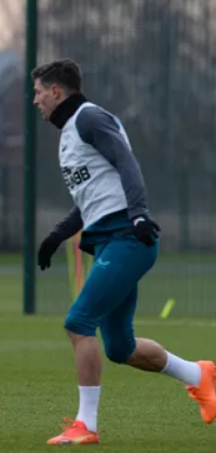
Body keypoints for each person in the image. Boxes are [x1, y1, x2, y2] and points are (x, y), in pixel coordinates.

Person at [32, 58, 216, 445]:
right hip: (111, 240)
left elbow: (126, 162)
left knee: (78, 322)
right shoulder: (71, 132)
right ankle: (199, 375)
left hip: (128, 239)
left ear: (56, 91)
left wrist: (139, 215)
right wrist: (57, 235)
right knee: (120, 348)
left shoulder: (88, 118)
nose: (35, 101)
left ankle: (86, 425)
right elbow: (93, 198)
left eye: (38, 92)